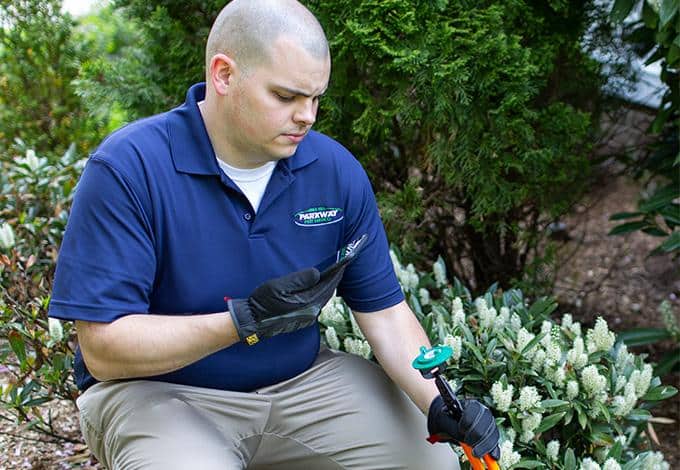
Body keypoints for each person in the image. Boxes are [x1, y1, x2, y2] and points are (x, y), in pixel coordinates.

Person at [48, 1, 500, 468]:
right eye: (286, 97)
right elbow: (103, 350)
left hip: (300, 384)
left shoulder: (334, 171)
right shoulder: (129, 168)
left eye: (316, 98)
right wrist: (241, 322)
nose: (307, 116)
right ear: (224, 75)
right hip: (159, 393)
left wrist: (440, 404)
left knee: (431, 462)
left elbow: (385, 314)